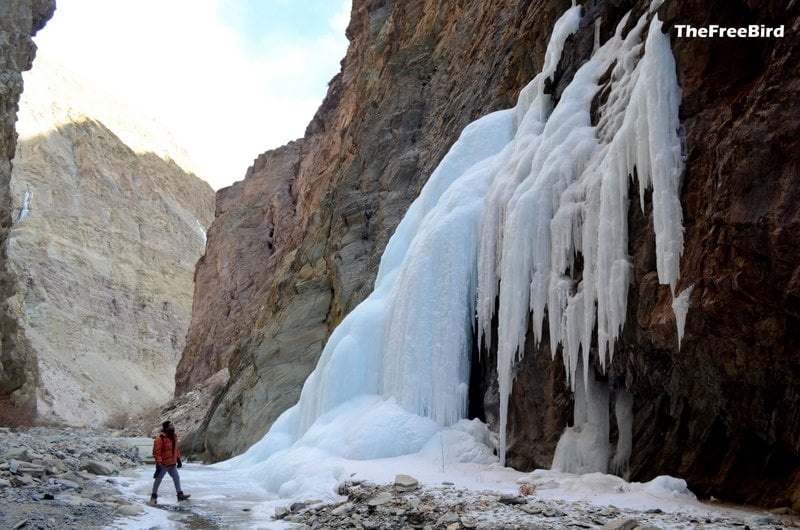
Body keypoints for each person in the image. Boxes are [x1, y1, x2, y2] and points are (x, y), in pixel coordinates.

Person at [149, 420, 190, 504]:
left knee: (176, 478)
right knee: (158, 480)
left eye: (172, 425)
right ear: (167, 427)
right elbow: (157, 452)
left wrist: (178, 459)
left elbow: (176, 449)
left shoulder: (174, 436)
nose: (173, 426)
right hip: (163, 464)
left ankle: (180, 495)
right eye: (171, 425)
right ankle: (153, 496)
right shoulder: (160, 439)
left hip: (172, 463)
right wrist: (159, 463)